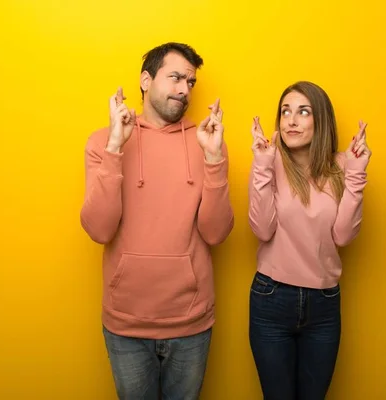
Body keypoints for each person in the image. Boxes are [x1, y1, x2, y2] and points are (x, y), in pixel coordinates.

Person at [79, 42, 234, 400]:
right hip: (126, 324)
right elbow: (99, 229)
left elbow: (216, 233)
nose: (185, 90)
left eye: (191, 82)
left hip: (191, 322)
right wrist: (116, 148)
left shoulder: (208, 142)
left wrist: (214, 161)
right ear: (145, 80)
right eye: (176, 77)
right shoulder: (102, 141)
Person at [247, 81, 371, 399]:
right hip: (272, 299)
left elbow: (343, 236)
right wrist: (262, 166)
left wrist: (356, 175)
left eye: (304, 112)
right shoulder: (270, 161)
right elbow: (262, 230)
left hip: (324, 305)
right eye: (285, 111)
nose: (291, 120)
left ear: (322, 121)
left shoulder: (341, 167)